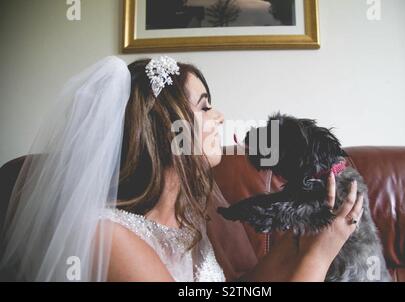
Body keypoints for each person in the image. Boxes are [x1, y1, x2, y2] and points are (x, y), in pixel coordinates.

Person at [0, 56, 363, 282]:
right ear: (164, 129)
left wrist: (303, 241)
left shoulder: (189, 218)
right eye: (205, 107)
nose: (220, 116)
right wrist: (321, 254)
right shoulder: (107, 237)